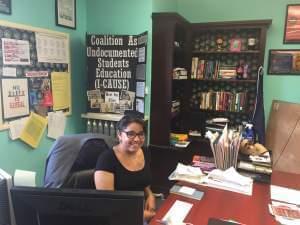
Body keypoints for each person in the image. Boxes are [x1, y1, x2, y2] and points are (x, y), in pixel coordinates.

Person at [94, 114, 156, 222]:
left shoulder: (145, 152)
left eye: (141, 134)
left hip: (142, 210)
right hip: (118, 218)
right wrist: (138, 215)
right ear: (119, 135)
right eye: (130, 134)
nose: (137, 139)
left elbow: (142, 182)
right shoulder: (107, 159)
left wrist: (150, 195)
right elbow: (107, 204)